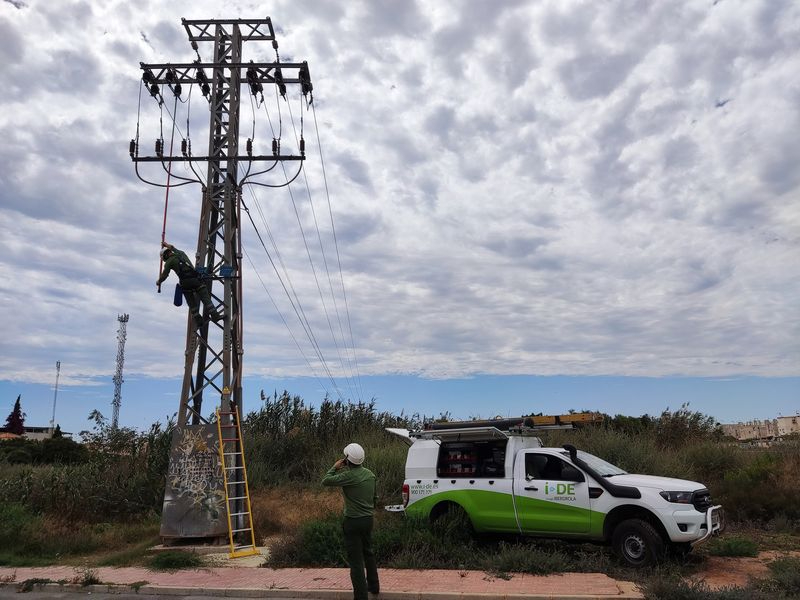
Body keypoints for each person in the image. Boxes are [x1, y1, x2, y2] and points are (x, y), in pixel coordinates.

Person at [322, 443, 380, 599]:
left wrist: (334, 467)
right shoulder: (370, 475)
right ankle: (374, 586)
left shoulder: (348, 476)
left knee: (356, 562)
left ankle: (361, 596)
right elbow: (375, 498)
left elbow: (326, 481)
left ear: (347, 460)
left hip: (352, 521)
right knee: (369, 552)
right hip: (368, 520)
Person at [156, 242, 221, 327]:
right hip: (195, 280)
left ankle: (199, 320)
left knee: (191, 302)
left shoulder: (169, 262)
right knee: (205, 297)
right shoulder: (180, 254)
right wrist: (166, 244)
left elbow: (164, 275)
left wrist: (159, 282)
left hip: (185, 283)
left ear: (164, 256)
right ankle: (215, 315)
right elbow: (173, 247)